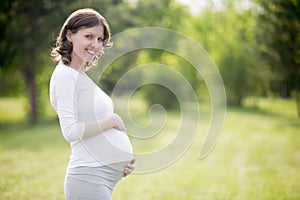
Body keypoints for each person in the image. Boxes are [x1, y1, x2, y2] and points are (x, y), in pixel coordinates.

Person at [49, 8, 136, 200]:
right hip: (88, 179)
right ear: (70, 35)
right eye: (89, 36)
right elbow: (70, 131)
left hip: (99, 178)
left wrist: (123, 162)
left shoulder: (80, 75)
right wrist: (111, 121)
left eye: (99, 39)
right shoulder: (65, 76)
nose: (95, 45)